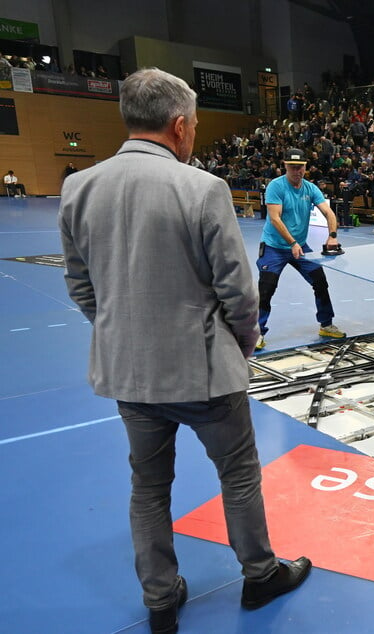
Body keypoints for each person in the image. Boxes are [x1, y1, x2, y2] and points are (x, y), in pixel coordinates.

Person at [58, 68, 311, 634]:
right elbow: (239, 294)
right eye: (193, 124)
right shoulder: (202, 189)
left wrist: (122, 331)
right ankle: (260, 573)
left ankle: (159, 598)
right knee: (239, 474)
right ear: (179, 126)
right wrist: (240, 345)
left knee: (147, 486)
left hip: (130, 376)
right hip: (205, 373)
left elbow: (81, 288)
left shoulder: (79, 188)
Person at [256, 147, 346, 350]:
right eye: (293, 167)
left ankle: (326, 324)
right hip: (274, 246)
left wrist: (332, 236)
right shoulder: (275, 187)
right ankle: (257, 332)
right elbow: (275, 218)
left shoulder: (310, 189)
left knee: (320, 282)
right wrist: (292, 243)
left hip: (300, 246)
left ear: (306, 167)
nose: (297, 171)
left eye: (300, 167)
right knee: (266, 288)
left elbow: (329, 213)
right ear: (285, 166)